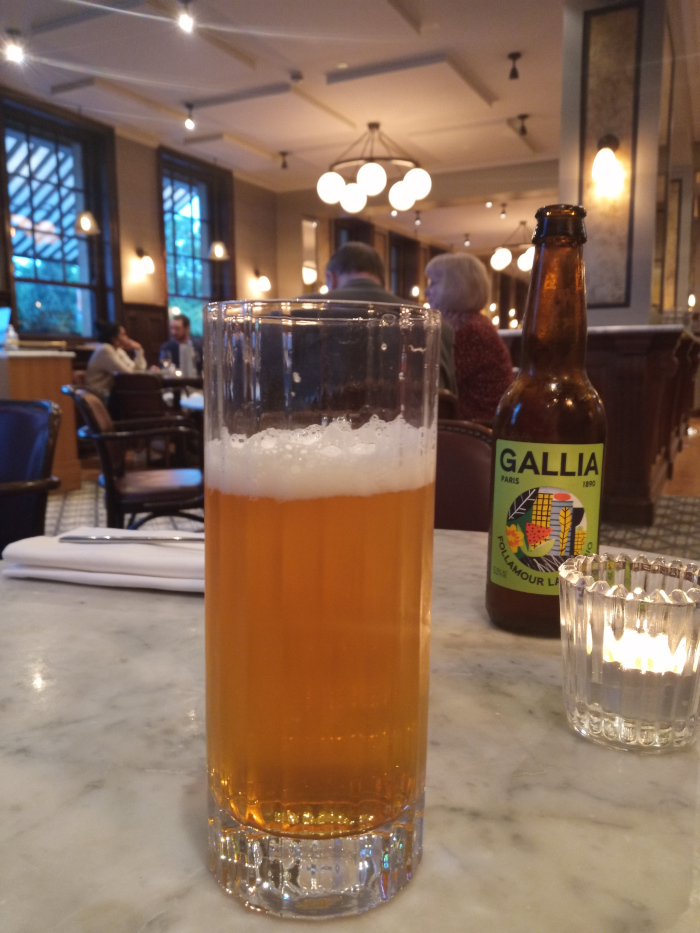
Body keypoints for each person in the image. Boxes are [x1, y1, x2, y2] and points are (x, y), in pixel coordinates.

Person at [309, 242, 457, 394]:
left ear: (330, 278)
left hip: (314, 417)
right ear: (382, 280)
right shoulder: (436, 325)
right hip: (410, 417)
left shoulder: (297, 313)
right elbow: (446, 401)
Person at [425, 252, 514, 424]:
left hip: (478, 430)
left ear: (455, 286)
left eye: (433, 283)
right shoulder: (469, 323)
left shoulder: (471, 330)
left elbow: (435, 381)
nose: (426, 291)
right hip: (473, 425)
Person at [85, 321, 147, 398]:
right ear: (114, 338)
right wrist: (134, 370)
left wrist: (138, 349)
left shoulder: (118, 351)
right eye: (123, 335)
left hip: (112, 394)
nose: (127, 337)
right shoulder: (105, 349)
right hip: (100, 396)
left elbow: (139, 369)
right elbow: (126, 375)